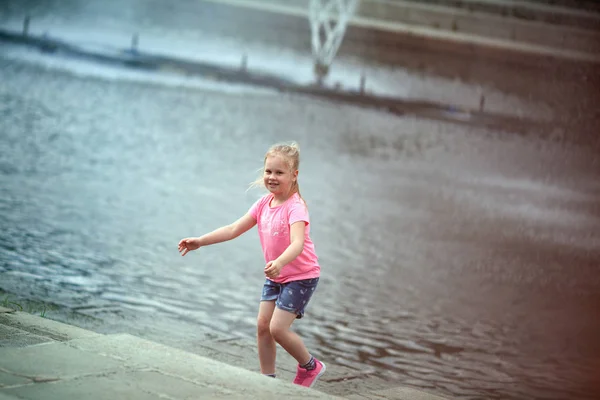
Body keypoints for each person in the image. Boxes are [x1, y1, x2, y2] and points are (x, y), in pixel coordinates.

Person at [178, 142, 326, 388]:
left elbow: (298, 244)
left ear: (294, 175)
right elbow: (233, 229)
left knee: (278, 328)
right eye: (269, 171)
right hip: (276, 275)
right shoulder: (263, 204)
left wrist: (279, 262)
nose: (272, 177)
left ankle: (311, 366)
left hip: (300, 275)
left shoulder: (296, 207)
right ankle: (267, 379)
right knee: (262, 326)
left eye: (279, 172)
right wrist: (200, 241)